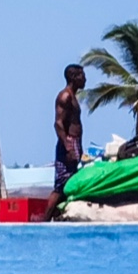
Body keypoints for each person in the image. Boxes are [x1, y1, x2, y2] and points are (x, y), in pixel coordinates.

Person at [54, 64, 86, 196]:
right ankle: (46, 216)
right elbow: (58, 123)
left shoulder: (73, 96)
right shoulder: (65, 96)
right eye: (82, 76)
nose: (85, 79)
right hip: (68, 143)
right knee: (62, 186)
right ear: (73, 77)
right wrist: (68, 148)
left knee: (72, 182)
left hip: (75, 142)